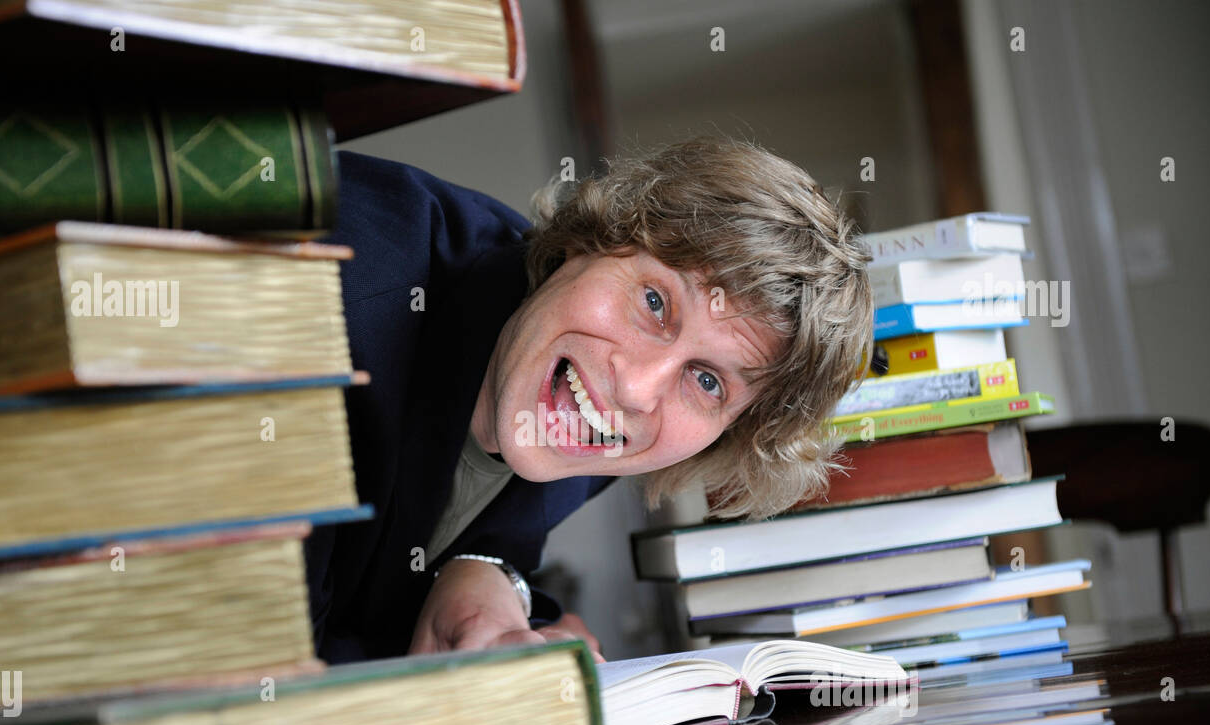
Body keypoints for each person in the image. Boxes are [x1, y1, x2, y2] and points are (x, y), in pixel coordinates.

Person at [303, 134, 872, 664]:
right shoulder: (340, 276)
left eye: (707, 381)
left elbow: (400, 563)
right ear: (587, 241)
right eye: (655, 303)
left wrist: (490, 580)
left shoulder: (577, 409)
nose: (637, 389)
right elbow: (269, 664)